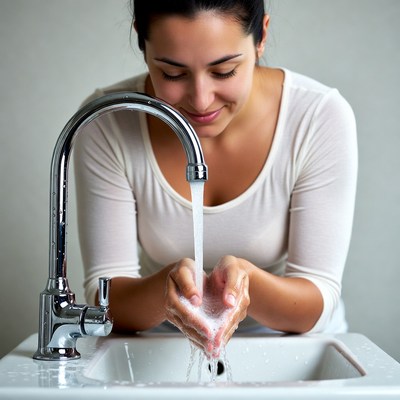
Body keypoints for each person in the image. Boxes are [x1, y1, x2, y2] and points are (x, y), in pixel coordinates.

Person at [74, 0, 357, 357]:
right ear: (143, 45)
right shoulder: (108, 121)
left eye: (223, 71)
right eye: (172, 74)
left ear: (261, 36)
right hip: (157, 348)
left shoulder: (317, 117)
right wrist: (166, 289)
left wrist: (245, 284)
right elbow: (105, 298)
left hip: (292, 347)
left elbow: (320, 296)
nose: (201, 100)